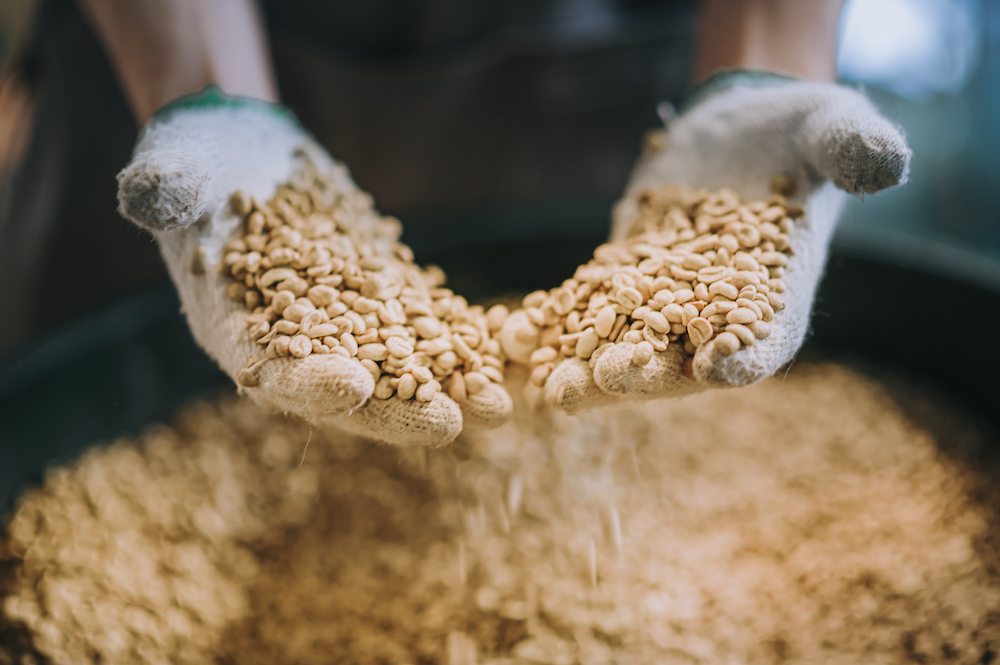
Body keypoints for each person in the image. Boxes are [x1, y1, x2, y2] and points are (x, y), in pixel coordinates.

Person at [5, 0, 911, 445]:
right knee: (101, 390)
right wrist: (199, 78)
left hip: (615, 43)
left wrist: (764, 61)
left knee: (614, 386)